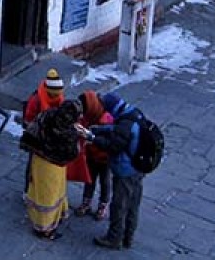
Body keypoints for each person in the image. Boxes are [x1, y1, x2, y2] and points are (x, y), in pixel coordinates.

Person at [77, 93, 143, 250]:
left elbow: (113, 145)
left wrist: (92, 137)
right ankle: (128, 237)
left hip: (126, 170)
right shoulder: (133, 114)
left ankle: (114, 239)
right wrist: (100, 130)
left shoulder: (124, 124)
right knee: (133, 204)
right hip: (138, 166)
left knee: (119, 205)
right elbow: (117, 130)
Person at [20, 99, 80, 240]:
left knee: (39, 190)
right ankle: (44, 227)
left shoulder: (47, 114)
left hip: (38, 160)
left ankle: (43, 218)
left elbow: (31, 131)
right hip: (54, 167)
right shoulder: (69, 133)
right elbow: (73, 154)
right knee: (50, 196)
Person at [23, 69, 67, 187]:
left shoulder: (59, 98)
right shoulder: (36, 99)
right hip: (37, 135)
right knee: (32, 163)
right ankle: (28, 188)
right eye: (55, 94)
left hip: (52, 136)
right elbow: (28, 119)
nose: (58, 96)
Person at [75, 90, 113, 220]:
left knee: (105, 182)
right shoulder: (88, 116)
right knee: (89, 179)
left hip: (105, 158)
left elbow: (108, 142)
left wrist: (90, 138)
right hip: (91, 155)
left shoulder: (106, 120)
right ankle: (86, 201)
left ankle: (103, 204)